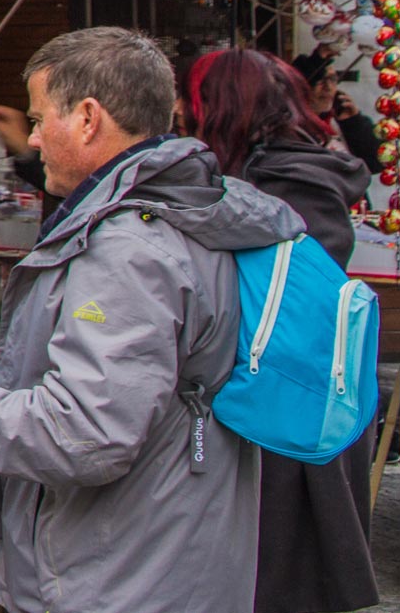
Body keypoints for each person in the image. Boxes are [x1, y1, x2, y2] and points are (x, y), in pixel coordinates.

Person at [0, 27, 303, 613]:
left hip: (117, 577)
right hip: (175, 551)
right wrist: (31, 368)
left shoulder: (128, 246)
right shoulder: (190, 208)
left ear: (86, 118)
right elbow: (154, 376)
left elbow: (83, 437)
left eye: (37, 118)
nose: (31, 137)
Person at [184, 49, 379, 613]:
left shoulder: (268, 188)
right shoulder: (302, 174)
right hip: (305, 406)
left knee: (274, 582)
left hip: (280, 420)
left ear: (217, 111)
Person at [291, 52, 382, 175]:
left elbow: (376, 164)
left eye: (332, 79)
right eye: (320, 81)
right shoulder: (292, 127)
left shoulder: (340, 120)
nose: (328, 87)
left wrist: (354, 123)